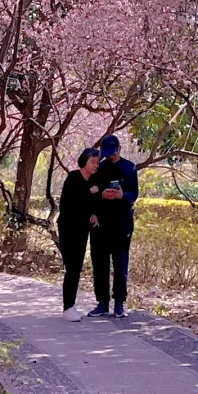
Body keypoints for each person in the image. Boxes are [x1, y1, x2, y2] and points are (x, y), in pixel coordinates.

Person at [87, 134, 138, 317]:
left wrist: (121, 196)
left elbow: (134, 195)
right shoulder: (98, 168)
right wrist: (100, 198)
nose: (111, 157)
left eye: (113, 153)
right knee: (99, 263)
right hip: (101, 223)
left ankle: (119, 303)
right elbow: (90, 194)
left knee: (120, 264)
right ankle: (102, 302)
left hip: (122, 224)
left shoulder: (129, 168)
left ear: (119, 149)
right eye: (107, 154)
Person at [57, 147, 100, 320]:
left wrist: (94, 214)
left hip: (83, 230)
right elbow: (69, 202)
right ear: (84, 161)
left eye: (97, 162)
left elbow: (93, 205)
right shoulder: (73, 178)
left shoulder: (94, 181)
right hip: (68, 229)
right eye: (93, 162)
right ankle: (67, 307)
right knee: (71, 268)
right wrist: (90, 191)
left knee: (77, 268)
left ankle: (71, 306)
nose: (95, 165)